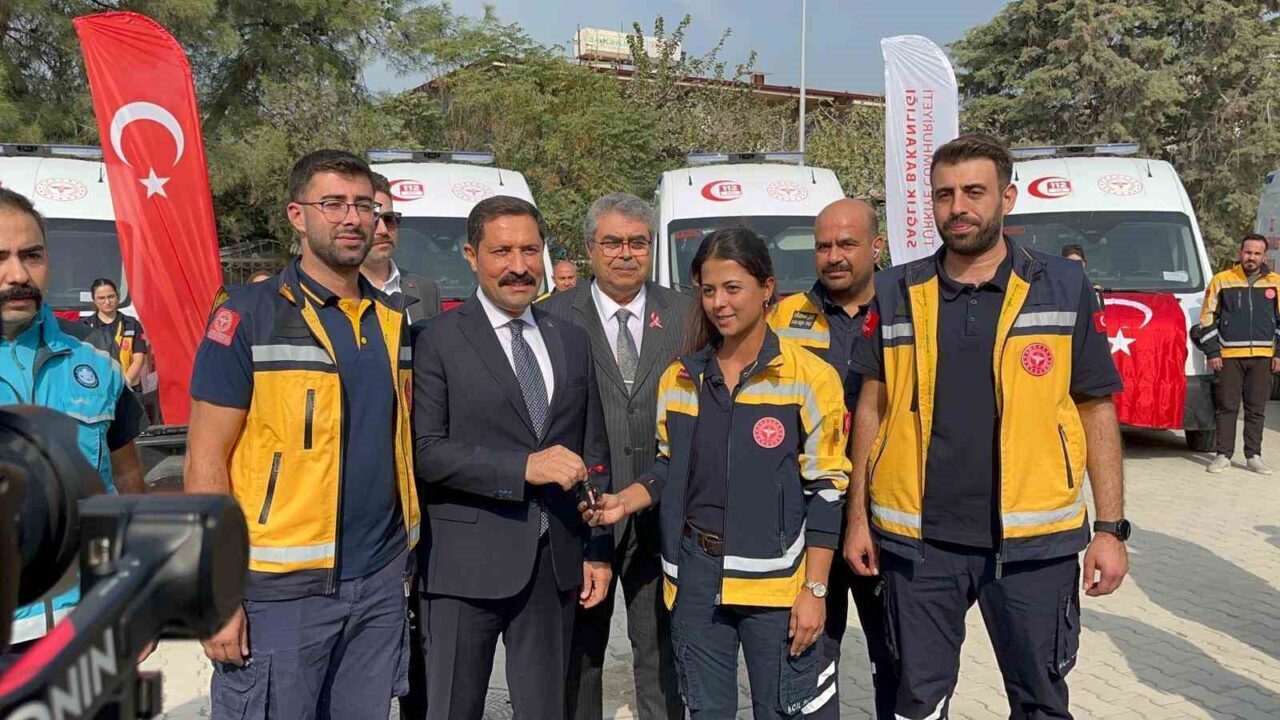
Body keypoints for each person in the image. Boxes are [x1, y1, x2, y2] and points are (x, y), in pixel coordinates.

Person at [843, 134, 1129, 719]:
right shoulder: (895, 290)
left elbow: (1095, 408)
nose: (958, 208)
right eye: (944, 194)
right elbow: (872, 407)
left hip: (1034, 549)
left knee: (1040, 702)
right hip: (920, 545)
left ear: (1007, 198)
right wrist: (857, 519)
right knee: (917, 703)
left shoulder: (1062, 285)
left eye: (974, 192)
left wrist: (1110, 529)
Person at [185, 150, 420, 720]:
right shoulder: (247, 316)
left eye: (364, 205)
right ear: (297, 215)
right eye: (333, 203)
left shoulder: (392, 322)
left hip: (378, 583)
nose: (352, 218)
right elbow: (204, 459)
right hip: (278, 593)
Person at [583, 227, 852, 720]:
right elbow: (668, 466)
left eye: (732, 288)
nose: (719, 303)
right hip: (695, 581)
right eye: (708, 290)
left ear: (767, 288)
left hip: (777, 585)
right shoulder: (681, 377)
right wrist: (625, 500)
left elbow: (828, 490)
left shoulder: (809, 378)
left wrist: (815, 590)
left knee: (786, 711)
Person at [413, 195, 612, 720]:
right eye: (502, 251)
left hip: (553, 563)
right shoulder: (434, 339)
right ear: (471, 256)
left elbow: (592, 450)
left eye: (529, 250)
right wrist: (523, 468)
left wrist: (596, 547)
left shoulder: (570, 339)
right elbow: (425, 452)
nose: (519, 266)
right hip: (462, 568)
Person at [541, 193, 690, 720]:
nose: (626, 253)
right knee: (580, 656)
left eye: (637, 242)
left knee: (662, 652)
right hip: (581, 514)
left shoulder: (687, 313)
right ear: (589, 248)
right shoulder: (551, 316)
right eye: (612, 242)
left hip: (660, 508)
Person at [0, 188, 147, 651]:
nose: (18, 274)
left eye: (32, 255)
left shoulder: (95, 356)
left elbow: (126, 478)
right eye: (0, 257)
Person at [767, 198, 897, 718]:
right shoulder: (783, 316)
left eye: (847, 244)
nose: (834, 256)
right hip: (806, 517)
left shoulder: (905, 310)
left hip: (885, 515)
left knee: (899, 653)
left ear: (876, 246)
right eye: (823, 246)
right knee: (807, 651)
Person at [1198, 233, 1280, 475]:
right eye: (1247, 252)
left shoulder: (1276, 282)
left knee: (1256, 409)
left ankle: (1254, 456)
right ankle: (1223, 455)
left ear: (1264, 256)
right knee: (1227, 407)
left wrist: (1278, 353)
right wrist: (1213, 351)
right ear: (1239, 253)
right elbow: (1206, 318)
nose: (1251, 257)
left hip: (1263, 357)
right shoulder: (1221, 280)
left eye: (1256, 253)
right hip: (1228, 356)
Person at [362, 172, 442, 324]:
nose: (383, 230)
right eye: (373, 220)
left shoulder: (426, 290)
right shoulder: (338, 291)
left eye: (389, 219)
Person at [81, 277, 149, 391]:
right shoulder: (85, 326)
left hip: (129, 388)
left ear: (117, 296)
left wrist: (125, 384)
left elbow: (139, 359)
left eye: (111, 296)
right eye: (101, 298)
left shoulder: (131, 324)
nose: (107, 302)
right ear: (94, 300)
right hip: (97, 390)